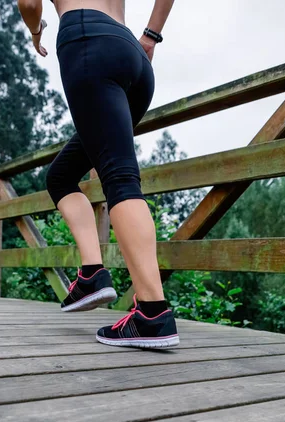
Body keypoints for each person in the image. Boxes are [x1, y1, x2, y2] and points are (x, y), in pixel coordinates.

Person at [18, 0, 179, 349]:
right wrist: (150, 35)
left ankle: (152, 312)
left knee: (119, 177)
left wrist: (34, 31)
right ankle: (92, 274)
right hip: (134, 55)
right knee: (61, 177)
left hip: (88, 40)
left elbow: (29, 4)